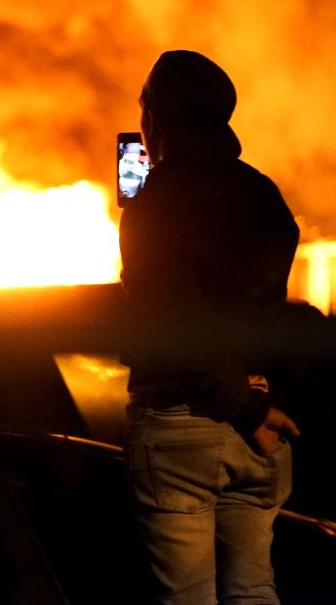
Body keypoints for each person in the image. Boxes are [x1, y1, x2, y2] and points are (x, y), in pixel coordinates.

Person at [120, 50, 301, 604]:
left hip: (187, 421)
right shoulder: (264, 195)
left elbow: (180, 320)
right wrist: (253, 405)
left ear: (155, 117)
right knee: (254, 591)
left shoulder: (152, 207)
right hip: (259, 419)